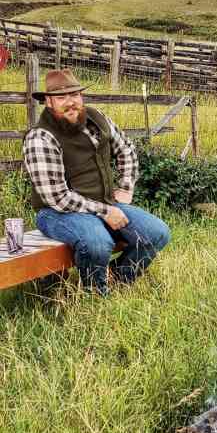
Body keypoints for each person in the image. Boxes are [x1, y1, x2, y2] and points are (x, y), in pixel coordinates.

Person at [22, 68, 171, 296]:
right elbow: (57, 197)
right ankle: (96, 296)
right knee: (97, 243)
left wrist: (126, 187)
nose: (70, 103)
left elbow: (127, 150)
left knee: (157, 233)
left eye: (74, 95)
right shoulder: (40, 138)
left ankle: (117, 279)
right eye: (61, 98)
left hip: (104, 203)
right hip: (57, 213)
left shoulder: (97, 117)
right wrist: (105, 211)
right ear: (48, 102)